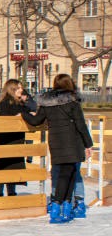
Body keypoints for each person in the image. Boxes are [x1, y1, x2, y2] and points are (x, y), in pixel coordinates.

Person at [22, 73, 93, 224]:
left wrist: (23, 113)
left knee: (69, 173)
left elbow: (36, 121)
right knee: (67, 174)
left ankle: (66, 208)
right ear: (69, 84)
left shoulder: (47, 102)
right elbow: (81, 125)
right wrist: (89, 144)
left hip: (56, 142)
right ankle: (57, 208)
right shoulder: (73, 101)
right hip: (73, 142)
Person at [0, 79, 34, 198]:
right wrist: (15, 118)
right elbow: (3, 119)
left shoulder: (21, 103)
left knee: (13, 166)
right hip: (5, 140)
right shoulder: (5, 103)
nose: (22, 90)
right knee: (2, 166)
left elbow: (32, 109)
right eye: (19, 88)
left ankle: (12, 193)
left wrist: (27, 101)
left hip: (16, 139)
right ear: (12, 89)